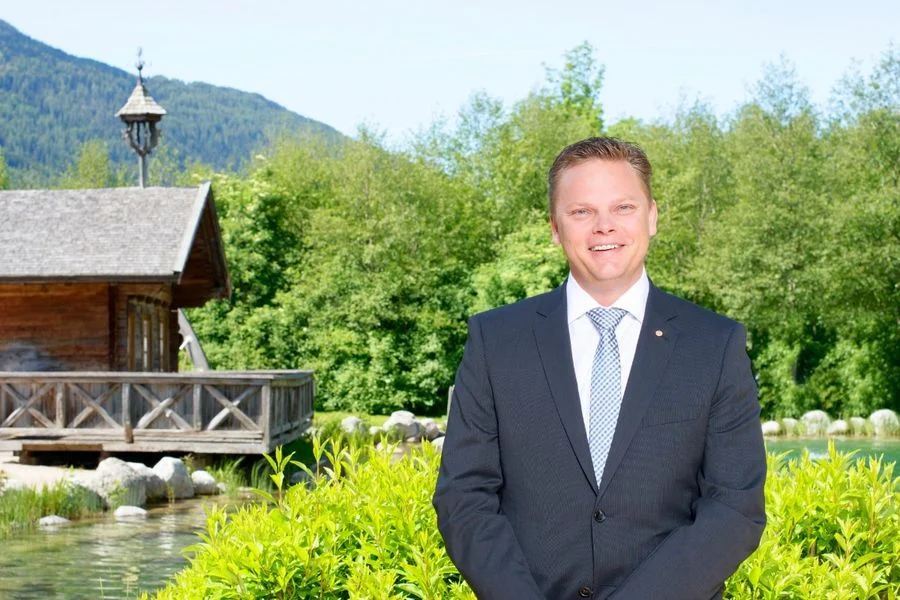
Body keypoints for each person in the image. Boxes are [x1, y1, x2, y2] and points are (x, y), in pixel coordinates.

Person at [433, 137, 766, 600]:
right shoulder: (496, 341)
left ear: (652, 216)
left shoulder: (715, 344)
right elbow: (464, 499)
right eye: (581, 212)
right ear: (555, 227)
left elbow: (735, 508)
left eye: (623, 207)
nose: (603, 227)